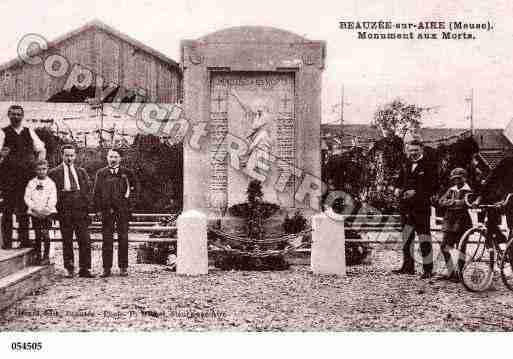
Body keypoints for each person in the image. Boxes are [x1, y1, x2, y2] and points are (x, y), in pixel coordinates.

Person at [0, 104, 46, 249]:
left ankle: (24, 240)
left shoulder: (29, 131)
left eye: (19, 114)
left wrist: (38, 165)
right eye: (13, 114)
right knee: (7, 210)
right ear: (9, 115)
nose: (16, 117)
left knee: (24, 209)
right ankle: (7, 243)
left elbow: (41, 149)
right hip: (8, 179)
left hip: (26, 178)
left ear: (22, 116)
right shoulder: (3, 132)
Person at [393, 139, 439, 279]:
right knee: (407, 238)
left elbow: (433, 186)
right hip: (406, 207)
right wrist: (396, 188)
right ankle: (408, 267)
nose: (413, 153)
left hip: (421, 208)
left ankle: (428, 269)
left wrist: (417, 193)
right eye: (411, 150)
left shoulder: (430, 165)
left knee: (424, 238)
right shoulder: (406, 164)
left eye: (415, 150)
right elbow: (400, 180)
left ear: (421, 150)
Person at [48, 144, 94, 278]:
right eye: (67, 155)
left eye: (72, 155)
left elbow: (87, 190)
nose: (69, 158)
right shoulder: (54, 173)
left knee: (85, 239)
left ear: (75, 156)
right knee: (67, 240)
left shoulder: (81, 172)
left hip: (80, 210)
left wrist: (86, 206)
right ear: (62, 155)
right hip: (65, 211)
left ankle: (85, 268)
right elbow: (52, 193)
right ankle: (69, 268)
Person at [93, 148, 137, 277]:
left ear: (120, 158)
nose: (112, 159)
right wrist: (98, 210)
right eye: (110, 156)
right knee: (107, 239)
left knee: (123, 238)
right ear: (107, 158)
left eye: (115, 157)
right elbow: (97, 192)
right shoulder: (101, 173)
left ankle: (123, 267)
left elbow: (135, 191)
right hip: (107, 211)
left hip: (123, 211)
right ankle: (106, 268)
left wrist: (129, 207)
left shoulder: (127, 173)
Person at [437, 168, 472, 282]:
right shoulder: (451, 190)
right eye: (454, 178)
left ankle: (460, 274)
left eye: (459, 178)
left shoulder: (468, 191)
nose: (456, 181)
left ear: (464, 178)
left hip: (462, 222)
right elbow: (441, 202)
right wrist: (452, 202)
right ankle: (451, 272)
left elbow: (464, 204)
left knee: (461, 249)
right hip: (449, 221)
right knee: (444, 247)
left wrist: (451, 203)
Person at [24, 159, 57, 265]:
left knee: (46, 234)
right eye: (39, 169)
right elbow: (27, 197)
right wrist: (34, 208)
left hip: (47, 213)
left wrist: (46, 209)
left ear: (47, 169)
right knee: (38, 235)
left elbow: (53, 198)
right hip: (35, 212)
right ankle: (38, 256)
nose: (41, 171)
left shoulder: (51, 183)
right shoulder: (31, 183)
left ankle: (46, 256)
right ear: (35, 170)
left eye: (44, 169)